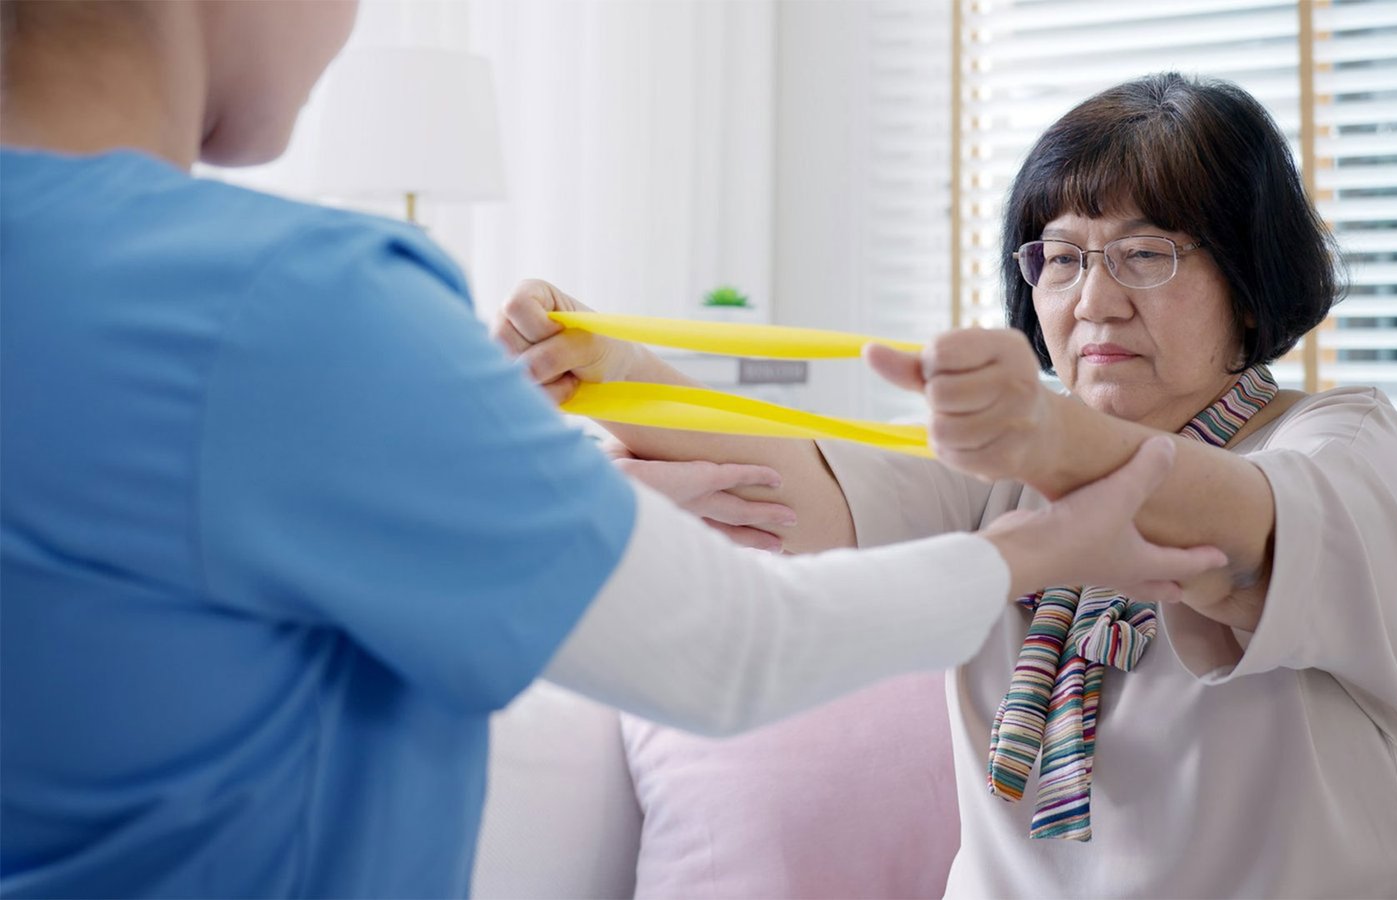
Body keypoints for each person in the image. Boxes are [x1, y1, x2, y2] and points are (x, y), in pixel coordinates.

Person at [0, 4, 1227, 897]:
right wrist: (1037, 553)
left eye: (1148, 252)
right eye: (1064, 254)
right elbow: (736, 645)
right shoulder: (293, 306)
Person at [503, 73, 1397, 898]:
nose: (1092, 300)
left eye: (1146, 254)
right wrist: (606, 367)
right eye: (1061, 258)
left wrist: (1043, 430)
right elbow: (783, 477)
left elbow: (1236, 535)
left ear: (1252, 282)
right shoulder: (1005, 479)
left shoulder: (1340, 438)